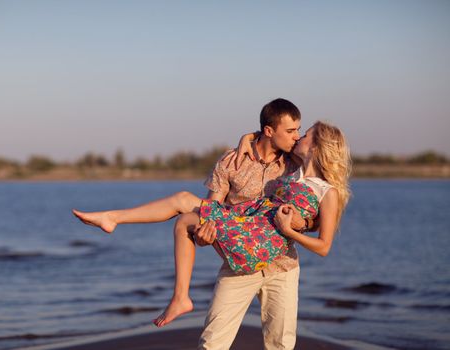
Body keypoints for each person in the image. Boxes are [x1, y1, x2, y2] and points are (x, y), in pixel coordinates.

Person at [73, 102, 351, 349]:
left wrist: (299, 224)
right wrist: (205, 237)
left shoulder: (294, 164)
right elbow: (212, 214)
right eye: (293, 131)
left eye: (301, 132)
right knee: (212, 342)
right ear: (269, 131)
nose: (297, 136)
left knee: (280, 344)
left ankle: (118, 223)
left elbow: (316, 219)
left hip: (281, 265)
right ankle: (173, 287)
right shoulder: (233, 161)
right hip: (241, 251)